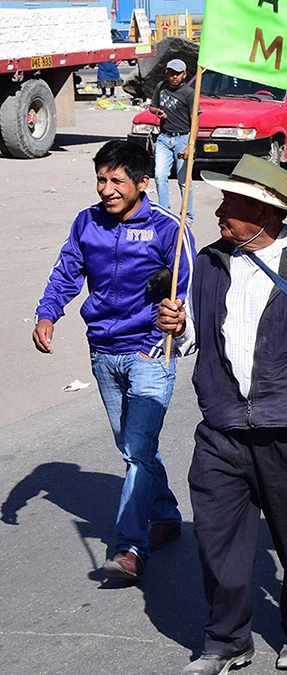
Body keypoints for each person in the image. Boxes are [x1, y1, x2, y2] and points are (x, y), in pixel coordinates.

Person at [156, 155, 287, 674]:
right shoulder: (208, 263)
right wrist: (176, 324)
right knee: (217, 538)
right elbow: (192, 341)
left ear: (266, 213)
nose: (219, 213)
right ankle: (226, 641)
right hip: (222, 429)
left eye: (232, 204)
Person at [33, 140, 193, 582]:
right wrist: (48, 313)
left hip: (149, 352)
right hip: (103, 351)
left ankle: (129, 547)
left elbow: (189, 289)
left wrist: (176, 330)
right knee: (133, 447)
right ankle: (164, 517)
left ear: (143, 183)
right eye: (101, 179)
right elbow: (67, 270)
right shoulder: (87, 222)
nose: (106, 189)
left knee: (137, 451)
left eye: (116, 181)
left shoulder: (168, 229)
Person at [150, 58, 195, 223]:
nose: (174, 76)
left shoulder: (189, 93)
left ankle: (187, 216)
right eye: (171, 73)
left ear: (184, 75)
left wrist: (190, 145)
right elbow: (152, 106)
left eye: (177, 74)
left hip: (183, 139)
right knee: (160, 176)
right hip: (164, 139)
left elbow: (195, 121)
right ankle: (163, 214)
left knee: (184, 181)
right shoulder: (161, 87)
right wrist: (158, 112)